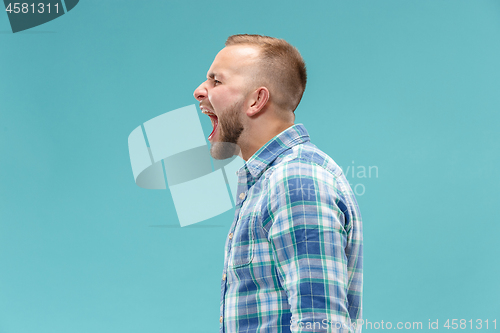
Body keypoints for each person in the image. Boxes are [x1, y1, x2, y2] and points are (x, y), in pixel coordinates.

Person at [193, 34, 363, 333]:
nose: (199, 91)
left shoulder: (295, 180)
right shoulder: (269, 181)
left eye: (216, 81)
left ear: (257, 100)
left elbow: (320, 325)